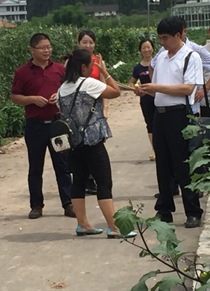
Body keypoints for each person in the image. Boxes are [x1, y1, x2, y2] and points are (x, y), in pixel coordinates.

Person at [58, 48, 136, 239]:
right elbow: (115, 92)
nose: (93, 68)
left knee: (79, 181)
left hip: (73, 143)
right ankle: (114, 226)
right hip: (92, 141)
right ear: (83, 67)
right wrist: (104, 72)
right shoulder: (89, 83)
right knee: (104, 182)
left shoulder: (61, 89)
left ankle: (82, 224)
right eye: (91, 66)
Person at [139, 17, 204, 229]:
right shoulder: (162, 57)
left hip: (179, 114)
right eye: (159, 38)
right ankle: (164, 209)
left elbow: (187, 89)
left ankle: (193, 210)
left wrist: (156, 87)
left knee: (182, 164)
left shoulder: (190, 57)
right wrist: (147, 89)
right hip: (160, 114)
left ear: (179, 35)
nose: (162, 42)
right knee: (163, 163)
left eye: (165, 38)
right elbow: (157, 84)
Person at [11, 33, 75, 220]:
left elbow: (69, 91)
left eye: (49, 47)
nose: (47, 50)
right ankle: (36, 205)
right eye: (42, 47)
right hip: (35, 126)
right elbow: (15, 97)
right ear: (32, 50)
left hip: (57, 125)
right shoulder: (22, 72)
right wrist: (31, 99)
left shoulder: (59, 70)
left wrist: (59, 96)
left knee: (62, 165)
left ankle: (68, 203)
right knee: (35, 167)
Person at [77, 30, 106, 195]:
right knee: (82, 142)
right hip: (79, 108)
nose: (88, 45)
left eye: (91, 42)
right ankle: (87, 179)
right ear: (78, 43)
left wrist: (106, 107)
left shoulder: (98, 61)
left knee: (97, 141)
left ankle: (91, 177)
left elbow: (105, 84)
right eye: (84, 42)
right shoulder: (73, 61)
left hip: (96, 107)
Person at [129, 39, 156, 161]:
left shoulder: (158, 63)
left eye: (148, 47)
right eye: (144, 48)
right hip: (146, 99)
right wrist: (136, 89)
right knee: (150, 124)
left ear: (153, 49)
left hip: (159, 97)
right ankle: (154, 149)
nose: (146, 50)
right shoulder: (138, 67)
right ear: (140, 50)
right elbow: (132, 82)